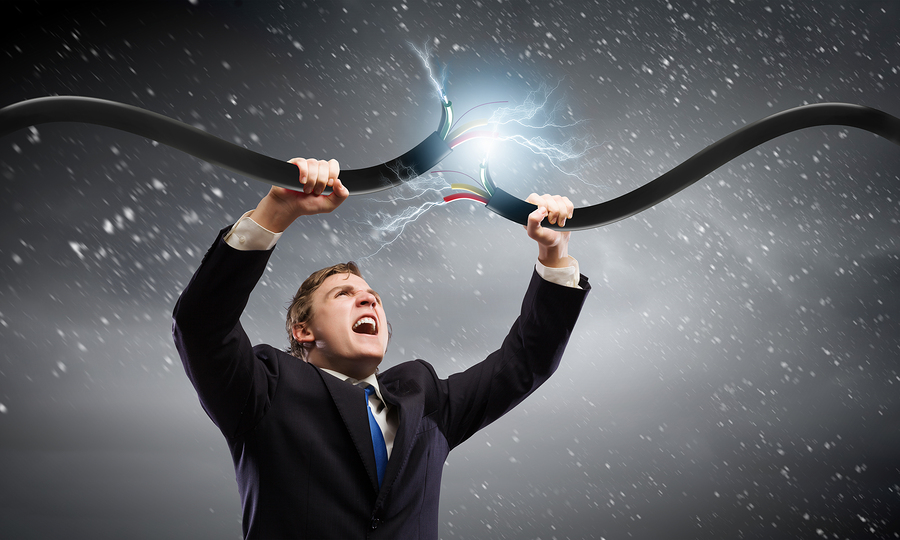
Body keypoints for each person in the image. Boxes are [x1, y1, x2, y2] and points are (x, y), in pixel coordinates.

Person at [172, 158, 590, 539]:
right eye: (343, 294)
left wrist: (554, 256)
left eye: (372, 294)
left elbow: (525, 362)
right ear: (302, 331)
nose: (368, 299)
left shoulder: (425, 400)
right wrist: (276, 213)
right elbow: (201, 325)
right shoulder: (264, 388)